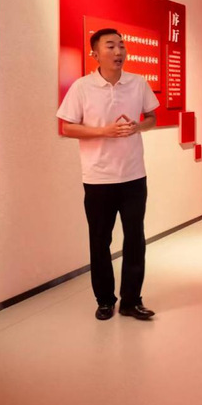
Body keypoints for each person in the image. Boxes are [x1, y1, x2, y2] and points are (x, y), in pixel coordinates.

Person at [56, 28, 159, 321]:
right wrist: (105, 131)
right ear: (95, 54)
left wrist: (138, 127)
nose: (118, 51)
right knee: (100, 241)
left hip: (134, 176)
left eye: (121, 46)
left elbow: (152, 117)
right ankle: (104, 300)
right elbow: (67, 127)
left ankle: (131, 301)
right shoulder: (82, 87)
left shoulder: (137, 83)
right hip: (98, 178)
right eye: (110, 46)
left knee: (135, 239)